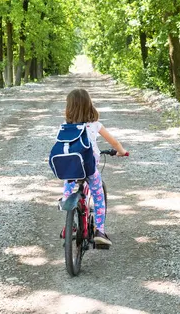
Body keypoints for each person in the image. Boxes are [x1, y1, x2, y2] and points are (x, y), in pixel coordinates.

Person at [61, 88, 128, 246]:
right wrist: (122, 152)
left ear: (69, 107)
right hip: (89, 167)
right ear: (89, 105)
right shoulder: (95, 125)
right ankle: (100, 231)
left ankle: (68, 225)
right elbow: (114, 143)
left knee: (68, 187)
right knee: (98, 198)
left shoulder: (65, 126)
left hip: (70, 166)